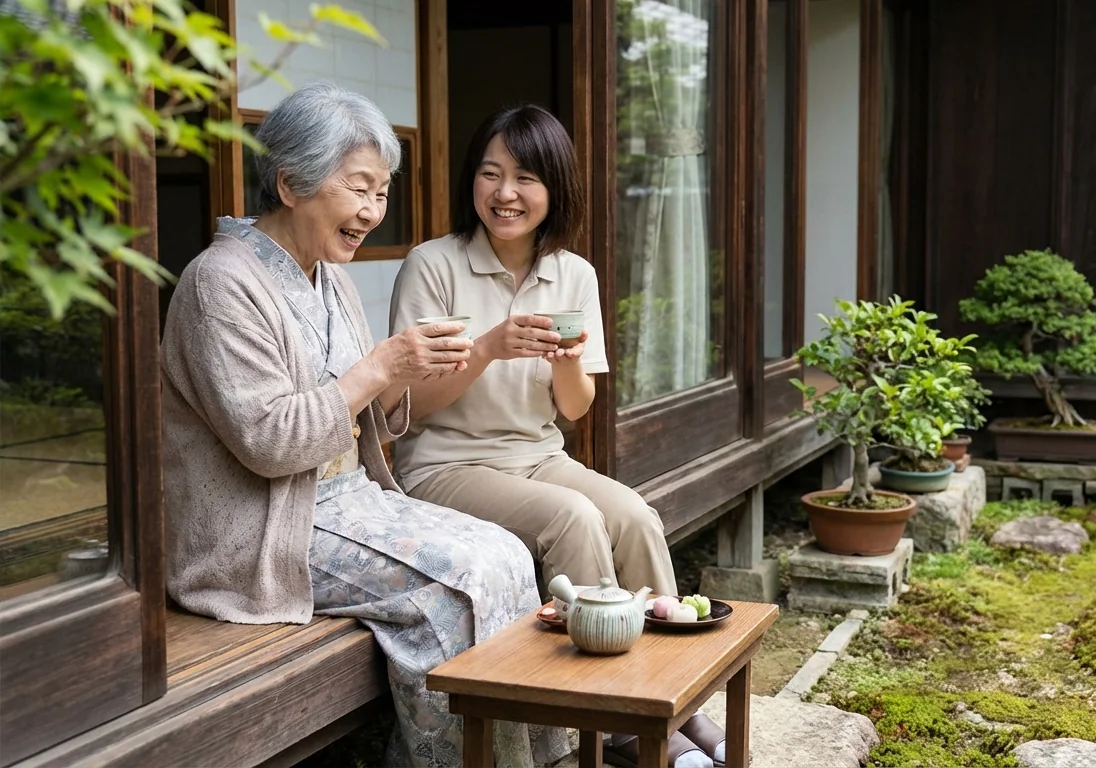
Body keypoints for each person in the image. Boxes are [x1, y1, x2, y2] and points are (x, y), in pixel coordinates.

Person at [161, 83, 567, 768]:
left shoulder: (329, 277)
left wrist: (408, 369)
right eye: (359, 190)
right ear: (290, 183)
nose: (374, 212)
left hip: (339, 504)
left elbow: (365, 412)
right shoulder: (218, 283)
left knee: (505, 554)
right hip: (263, 529)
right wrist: (380, 367)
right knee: (456, 582)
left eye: (381, 193)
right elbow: (269, 443)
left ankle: (533, 760)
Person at [389, 104, 728, 767]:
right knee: (574, 518)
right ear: (472, 182)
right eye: (491, 174)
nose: (505, 193)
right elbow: (412, 407)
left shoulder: (573, 274)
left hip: (538, 455)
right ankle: (617, 720)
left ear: (554, 190)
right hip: (446, 462)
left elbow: (575, 410)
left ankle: (680, 702)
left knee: (634, 517)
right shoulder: (433, 265)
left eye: (525, 178)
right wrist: (487, 347)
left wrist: (565, 355)